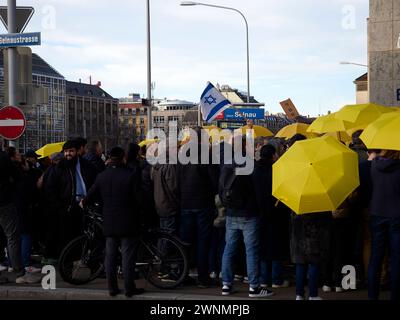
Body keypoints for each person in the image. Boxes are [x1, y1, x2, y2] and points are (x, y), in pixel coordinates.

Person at [83, 146, 144, 297]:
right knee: (127, 256)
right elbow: (140, 199)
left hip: (109, 222)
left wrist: (83, 202)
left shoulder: (102, 176)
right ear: (123, 157)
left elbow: (89, 195)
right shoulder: (130, 175)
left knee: (110, 256)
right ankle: (129, 288)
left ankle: (112, 288)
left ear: (110, 158)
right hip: (128, 221)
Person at [219, 139, 274, 298]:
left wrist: (227, 205)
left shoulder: (227, 165)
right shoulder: (251, 165)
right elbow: (259, 191)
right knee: (251, 251)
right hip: (250, 214)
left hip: (231, 212)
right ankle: (254, 287)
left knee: (229, 249)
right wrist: (260, 210)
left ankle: (226, 285)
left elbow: (221, 188)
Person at [178, 127, 220, 288]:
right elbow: (214, 179)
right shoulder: (207, 155)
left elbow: (178, 178)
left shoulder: (182, 154)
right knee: (203, 241)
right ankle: (203, 277)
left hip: (186, 203)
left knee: (186, 241)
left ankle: (184, 274)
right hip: (203, 203)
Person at [43, 140, 97, 261]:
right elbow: (50, 189)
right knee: (67, 237)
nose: (68, 154)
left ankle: (87, 260)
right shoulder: (59, 167)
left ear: (77, 151)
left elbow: (95, 182)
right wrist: (59, 206)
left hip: (86, 204)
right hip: (67, 207)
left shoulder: (87, 165)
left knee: (87, 235)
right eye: (66, 151)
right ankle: (67, 263)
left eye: (71, 151)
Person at [254, 144, 290, 289]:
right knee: (276, 247)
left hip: (259, 213)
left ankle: (264, 278)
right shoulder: (277, 170)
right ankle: (276, 279)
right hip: (276, 212)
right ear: (273, 155)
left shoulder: (254, 171)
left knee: (262, 246)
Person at [368, 149, 400, 301]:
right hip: (396, 215)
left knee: (375, 258)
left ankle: (372, 295)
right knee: (396, 259)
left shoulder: (374, 165)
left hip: (377, 212)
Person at [290, 210, 332, 300]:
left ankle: (299, 295)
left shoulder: (295, 204)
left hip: (298, 240)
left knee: (300, 265)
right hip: (313, 240)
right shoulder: (317, 203)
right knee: (314, 264)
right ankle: (313, 295)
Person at [0, 148, 24, 283]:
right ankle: (19, 271)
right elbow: (18, 177)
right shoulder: (3, 158)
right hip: (4, 202)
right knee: (12, 237)